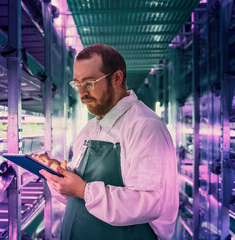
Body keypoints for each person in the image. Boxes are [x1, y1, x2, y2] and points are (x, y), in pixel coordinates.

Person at [34, 44, 178, 240]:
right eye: (77, 84)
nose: (82, 93)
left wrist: (84, 190)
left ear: (116, 78)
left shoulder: (145, 127)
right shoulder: (90, 129)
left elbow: (150, 203)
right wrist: (58, 176)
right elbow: (79, 198)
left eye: (89, 83)